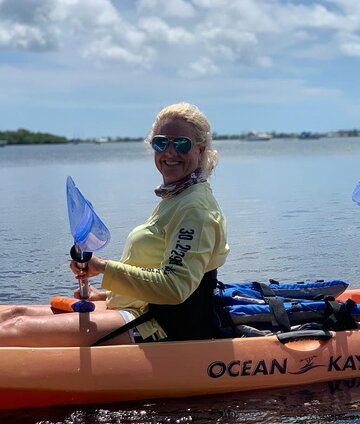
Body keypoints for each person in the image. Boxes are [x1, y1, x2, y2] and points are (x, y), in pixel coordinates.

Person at [0, 102, 229, 346]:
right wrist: (106, 294)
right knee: (12, 316)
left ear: (201, 150)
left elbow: (174, 287)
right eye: (161, 143)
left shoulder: (195, 208)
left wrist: (103, 268)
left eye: (181, 143)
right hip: (139, 309)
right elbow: (152, 267)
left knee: (17, 326)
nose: (169, 152)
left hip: (160, 327)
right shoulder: (178, 196)